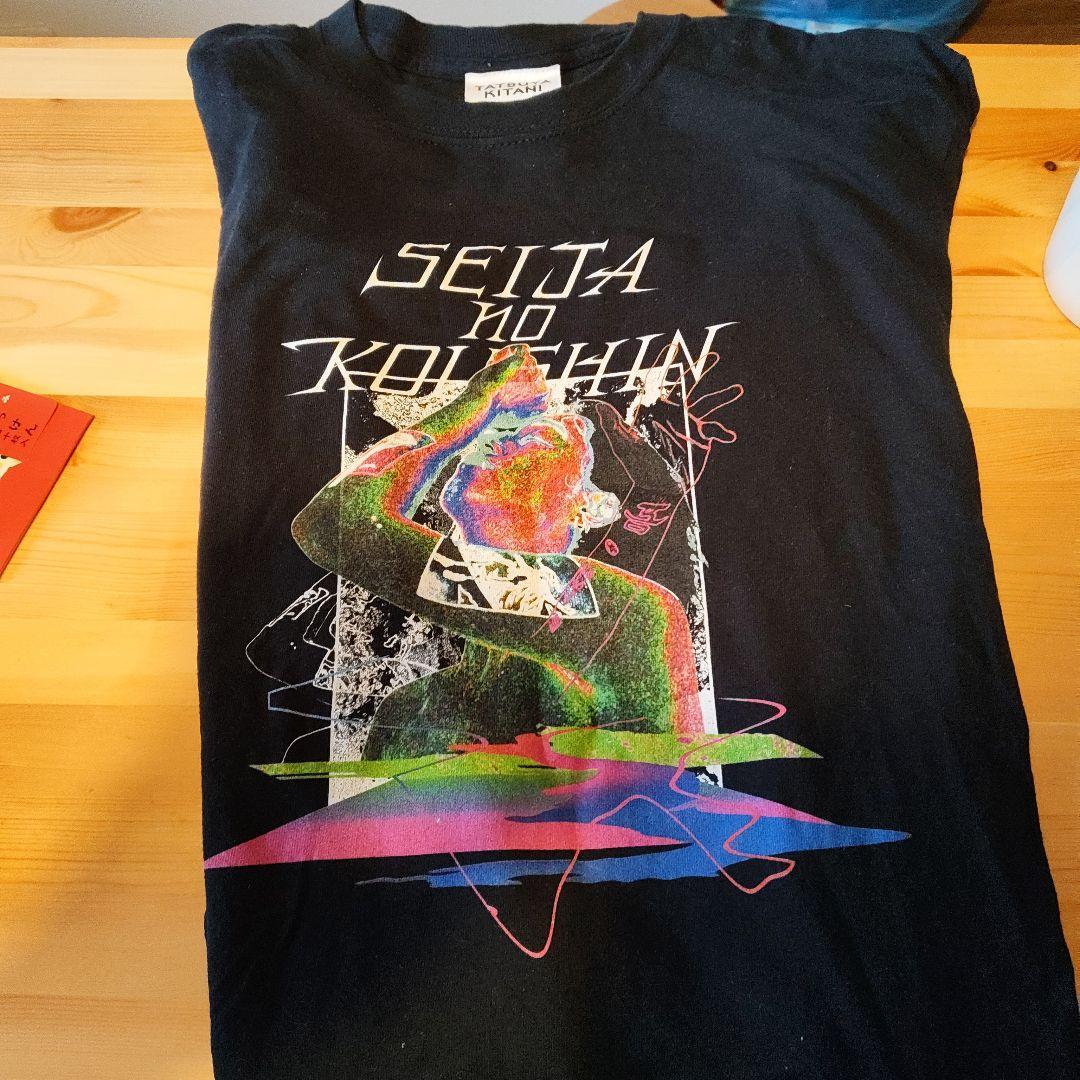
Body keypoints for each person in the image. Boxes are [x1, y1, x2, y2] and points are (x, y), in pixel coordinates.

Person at [291, 343, 705, 758]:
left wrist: (478, 400)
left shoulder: (632, 615)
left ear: (587, 507)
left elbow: (332, 523)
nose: (495, 440)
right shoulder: (408, 712)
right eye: (488, 429)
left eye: (537, 437)